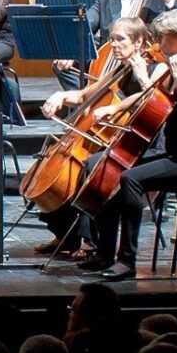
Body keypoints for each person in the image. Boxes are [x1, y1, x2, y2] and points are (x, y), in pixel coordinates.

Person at [80, 10, 177, 281]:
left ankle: (128, 260)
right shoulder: (170, 67)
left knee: (131, 178)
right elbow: (153, 99)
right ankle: (104, 252)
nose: (157, 43)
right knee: (110, 181)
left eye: (162, 38)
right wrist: (118, 106)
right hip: (175, 152)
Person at [34, 17, 152, 261]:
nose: (114, 45)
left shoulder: (152, 69)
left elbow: (150, 100)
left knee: (90, 168)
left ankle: (90, 240)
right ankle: (65, 235)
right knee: (63, 171)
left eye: (121, 39)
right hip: (111, 140)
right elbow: (83, 96)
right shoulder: (118, 70)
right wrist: (61, 96)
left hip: (137, 145)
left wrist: (140, 79)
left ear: (139, 42)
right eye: (112, 39)